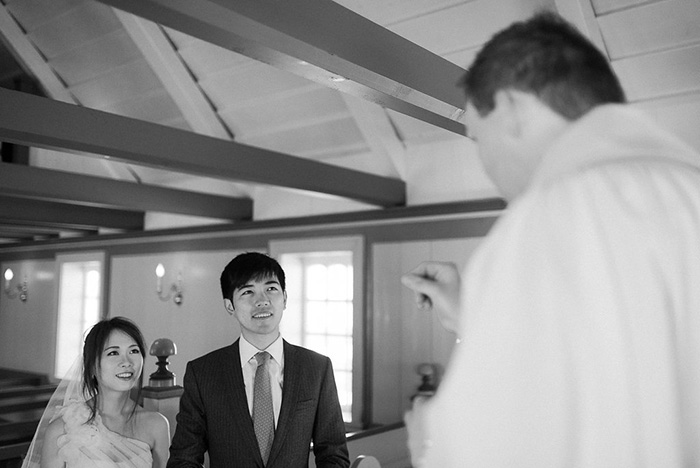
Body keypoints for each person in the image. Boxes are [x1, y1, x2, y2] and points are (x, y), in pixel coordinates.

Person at [401, 10, 700, 468]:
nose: (488, 169)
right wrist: (472, 316)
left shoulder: (548, 218)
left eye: (477, 137)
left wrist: (428, 439)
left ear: (514, 109)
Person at [167, 252, 349, 468]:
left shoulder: (317, 368)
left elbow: (334, 455)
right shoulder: (203, 373)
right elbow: (184, 459)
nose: (262, 301)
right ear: (230, 306)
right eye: (247, 292)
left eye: (271, 289)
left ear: (285, 298)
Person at [22, 316, 170, 468]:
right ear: (92, 366)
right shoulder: (61, 429)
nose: (127, 362)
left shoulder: (157, 425)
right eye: (113, 353)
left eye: (133, 351)